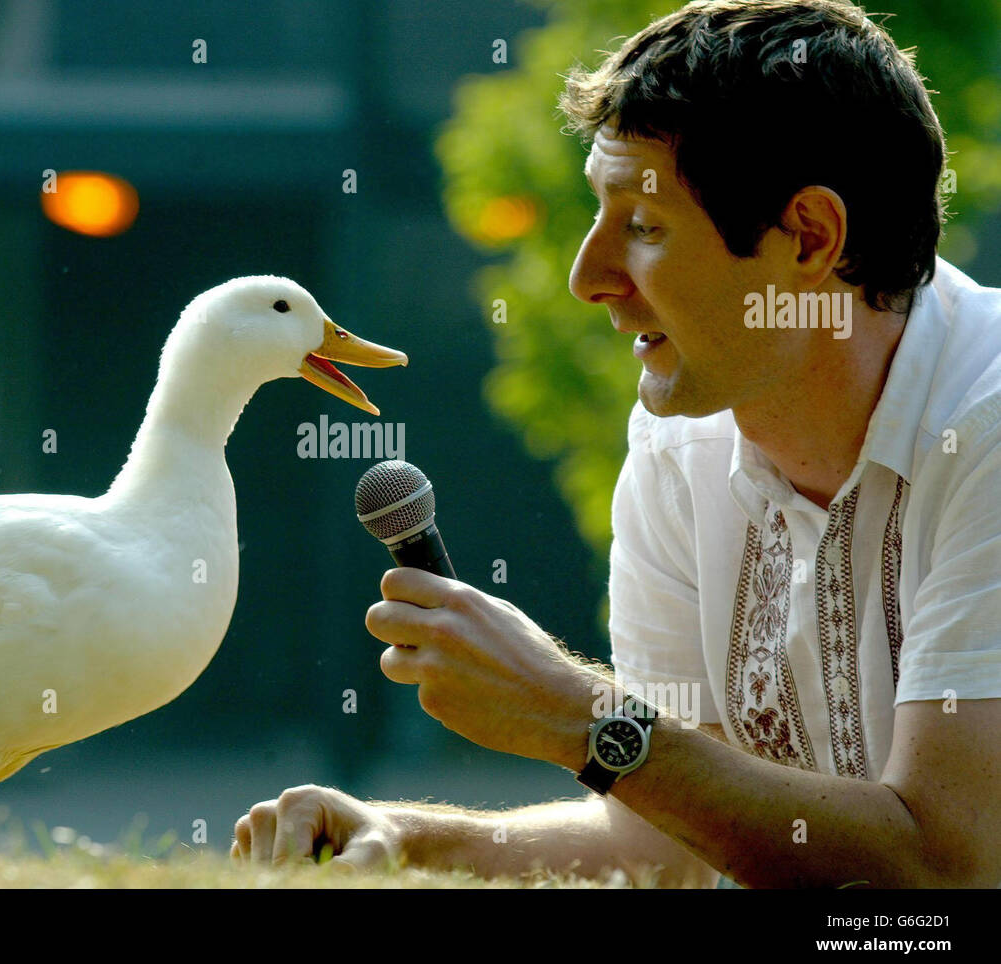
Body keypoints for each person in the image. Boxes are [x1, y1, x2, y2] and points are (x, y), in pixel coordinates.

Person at [231, 0, 1001, 887]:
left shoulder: (984, 429)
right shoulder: (680, 445)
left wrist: (579, 714)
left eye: (643, 227)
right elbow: (668, 840)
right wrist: (409, 840)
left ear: (810, 238)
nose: (587, 276)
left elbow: (944, 872)